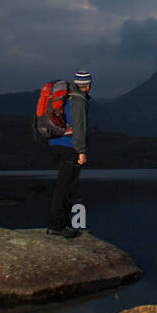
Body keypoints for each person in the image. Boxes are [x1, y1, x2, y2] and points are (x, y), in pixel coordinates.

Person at [46, 70, 91, 238]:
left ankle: (60, 223)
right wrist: (81, 151)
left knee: (63, 185)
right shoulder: (79, 100)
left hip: (55, 144)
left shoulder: (67, 96)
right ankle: (58, 225)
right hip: (69, 147)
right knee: (66, 187)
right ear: (88, 85)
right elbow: (80, 128)